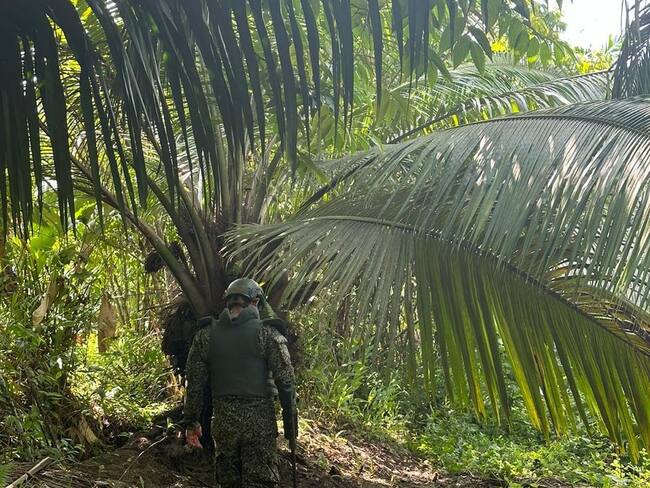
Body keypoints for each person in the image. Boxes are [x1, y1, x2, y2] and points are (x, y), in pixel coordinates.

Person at [183, 278, 296, 487]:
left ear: (228, 302)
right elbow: (286, 383)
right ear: (255, 302)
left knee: (228, 482)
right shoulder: (268, 333)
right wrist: (291, 429)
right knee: (261, 481)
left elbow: (195, 384)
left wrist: (191, 422)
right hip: (260, 424)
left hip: (224, 424)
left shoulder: (205, 335)